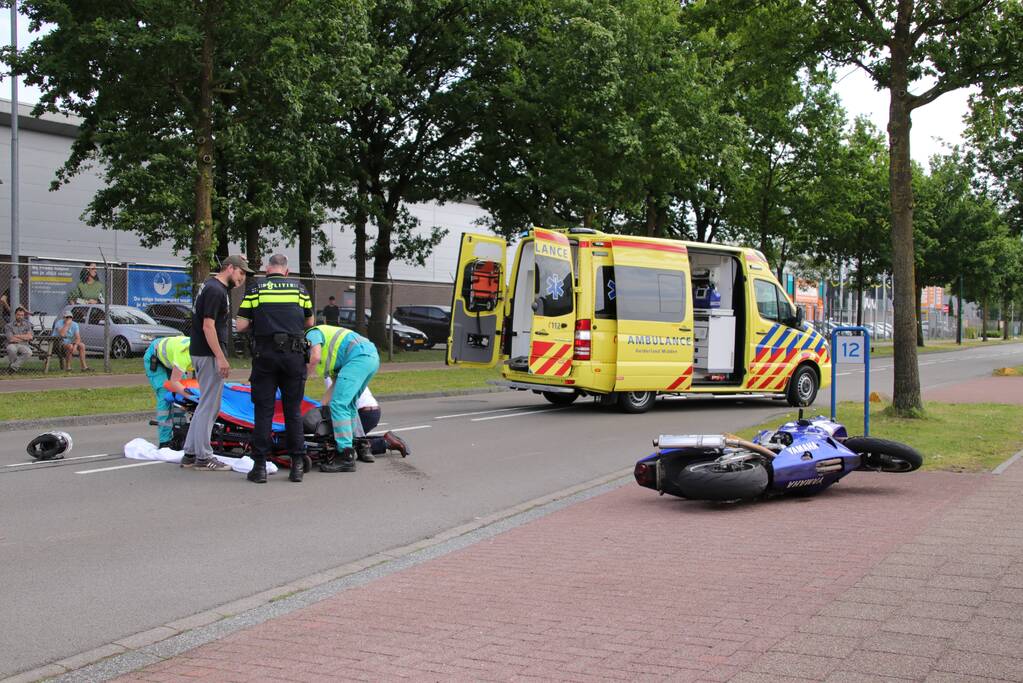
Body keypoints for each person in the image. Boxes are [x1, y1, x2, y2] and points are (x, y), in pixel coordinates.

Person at [236, 254, 313, 484]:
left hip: (265, 356)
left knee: (264, 412)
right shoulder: (300, 289)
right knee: (293, 412)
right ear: (286, 271)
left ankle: (259, 467)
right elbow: (309, 322)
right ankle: (297, 465)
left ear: (268, 270)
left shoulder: (256, 288)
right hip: (293, 357)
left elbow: (240, 325)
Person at [181, 255, 252, 471]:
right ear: (230, 268)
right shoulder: (215, 290)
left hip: (202, 352)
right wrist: (220, 357)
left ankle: (190, 453)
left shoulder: (213, 287)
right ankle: (203, 456)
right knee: (210, 405)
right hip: (208, 353)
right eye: (241, 272)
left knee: (206, 404)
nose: (242, 278)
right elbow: (208, 326)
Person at [305, 322, 380, 472]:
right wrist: (318, 409)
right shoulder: (334, 357)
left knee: (339, 405)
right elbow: (334, 387)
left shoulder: (312, 333)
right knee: (349, 404)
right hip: (370, 356)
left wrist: (302, 379)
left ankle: (346, 456)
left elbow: (315, 357)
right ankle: (359, 445)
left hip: (358, 356)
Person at [143, 335, 192, 447]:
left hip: (171, 359)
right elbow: (175, 383)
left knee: (181, 398)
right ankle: (164, 440)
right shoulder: (184, 354)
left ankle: (180, 433)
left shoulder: (203, 354)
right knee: (165, 395)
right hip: (154, 358)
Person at [353, 387, 410, 462]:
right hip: (370, 411)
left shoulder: (334, 379)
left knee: (342, 445)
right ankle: (386, 440)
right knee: (350, 438)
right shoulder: (347, 376)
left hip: (364, 413)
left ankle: (386, 442)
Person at [4, 306, 34, 372]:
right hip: (11, 344)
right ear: (15, 315)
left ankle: (13, 367)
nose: (20, 317)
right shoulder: (8, 326)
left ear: (24, 316)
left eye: (22, 315)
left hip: (23, 345)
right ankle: (14, 368)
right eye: (18, 315)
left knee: (29, 352)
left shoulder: (27, 325)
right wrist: (24, 337)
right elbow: (11, 339)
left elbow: (30, 337)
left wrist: (16, 336)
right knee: (12, 349)